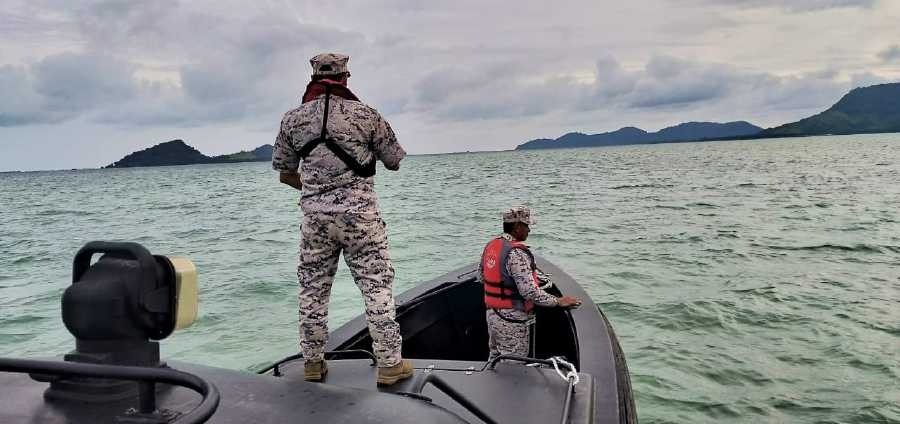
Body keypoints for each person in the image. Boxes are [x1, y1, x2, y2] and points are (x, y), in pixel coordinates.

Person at [272, 52, 413, 386]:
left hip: (315, 221)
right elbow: (394, 160)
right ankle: (390, 365)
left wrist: (319, 189)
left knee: (312, 290)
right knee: (376, 286)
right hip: (360, 218)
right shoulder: (366, 115)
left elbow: (285, 173)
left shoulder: (292, 120)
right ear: (345, 77)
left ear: (313, 79)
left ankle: (312, 363)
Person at [480, 206, 582, 360]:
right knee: (515, 366)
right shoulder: (517, 253)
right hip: (512, 322)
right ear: (516, 227)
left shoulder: (491, 246)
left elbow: (482, 276)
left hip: (493, 316)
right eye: (526, 226)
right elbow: (529, 292)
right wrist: (558, 301)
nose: (529, 230)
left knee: (495, 359)